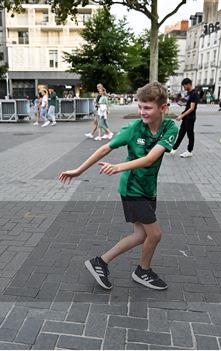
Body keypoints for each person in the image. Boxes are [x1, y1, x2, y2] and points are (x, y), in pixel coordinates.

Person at [59, 82, 178, 291]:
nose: (142, 112)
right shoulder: (133, 128)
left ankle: (101, 262)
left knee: (141, 235)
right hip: (132, 189)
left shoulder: (170, 128)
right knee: (155, 234)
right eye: (140, 106)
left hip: (149, 188)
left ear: (163, 108)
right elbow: (105, 148)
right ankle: (143, 270)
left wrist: (119, 166)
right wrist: (78, 170)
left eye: (148, 107)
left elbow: (150, 159)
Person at [170, 78, 198, 158]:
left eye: (184, 86)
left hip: (190, 117)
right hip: (186, 117)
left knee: (190, 134)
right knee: (181, 132)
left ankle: (189, 151)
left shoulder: (194, 94)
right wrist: (178, 102)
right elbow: (185, 102)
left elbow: (192, 108)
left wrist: (182, 115)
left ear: (188, 84)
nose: (184, 88)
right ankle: (174, 149)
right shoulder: (189, 93)